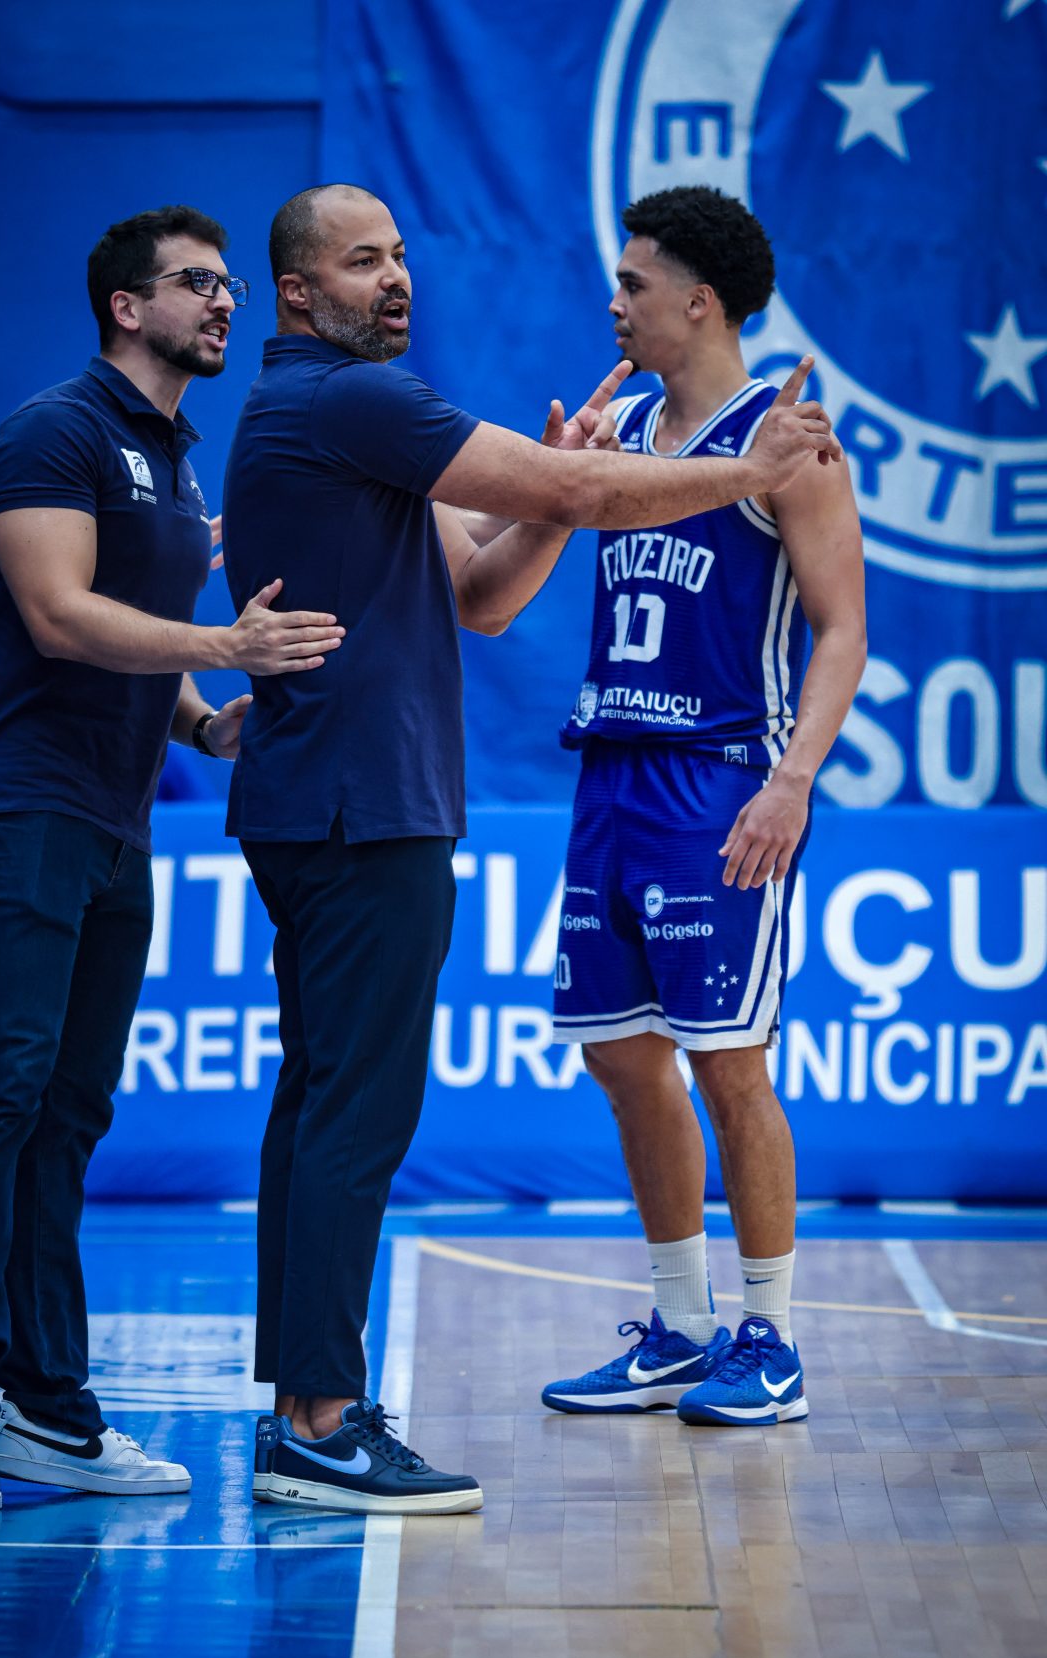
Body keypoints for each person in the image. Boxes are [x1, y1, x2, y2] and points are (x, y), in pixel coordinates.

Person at [223, 183, 840, 1516]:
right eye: (364, 260)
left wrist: (791, 775)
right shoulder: (357, 400)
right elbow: (579, 485)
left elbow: (484, 595)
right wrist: (743, 474)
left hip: (637, 780)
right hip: (370, 803)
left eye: (401, 253)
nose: (397, 277)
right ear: (300, 292)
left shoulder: (344, 413)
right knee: (364, 1111)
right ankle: (321, 1419)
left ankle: (750, 1332)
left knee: (341, 1103)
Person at [0, 205, 345, 1512]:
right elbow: (58, 615)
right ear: (125, 306)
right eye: (196, 284)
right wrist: (225, 648)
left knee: (69, 1111)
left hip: (113, 816)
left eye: (228, 285)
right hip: (14, 804)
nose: (224, 303)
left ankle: (49, 1410)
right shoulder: (55, 431)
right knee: (1, 1089)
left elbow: (137, 626)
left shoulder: (174, 454)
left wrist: (207, 721)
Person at [541, 185, 866, 1427]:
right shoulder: (620, 425)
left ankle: (770, 1340)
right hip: (611, 772)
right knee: (623, 1057)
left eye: (633, 283)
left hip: (720, 781)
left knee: (731, 1062)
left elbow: (843, 629)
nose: (613, 300)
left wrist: (793, 780)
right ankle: (681, 1329)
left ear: (700, 302)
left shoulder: (788, 443)